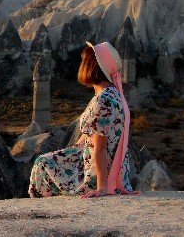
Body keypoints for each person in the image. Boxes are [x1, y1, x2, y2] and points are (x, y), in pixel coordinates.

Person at [29, 42, 137, 198]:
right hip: (96, 162)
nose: (81, 66)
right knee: (46, 161)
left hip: (93, 172)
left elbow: (100, 148)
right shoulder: (112, 93)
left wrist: (101, 187)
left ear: (93, 67)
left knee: (41, 164)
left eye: (84, 62)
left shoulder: (104, 100)